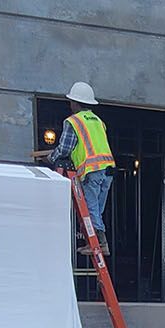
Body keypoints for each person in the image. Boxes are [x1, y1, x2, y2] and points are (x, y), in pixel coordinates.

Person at [35, 81, 116, 253]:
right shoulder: (98, 121)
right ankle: (97, 242)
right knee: (96, 210)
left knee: (91, 207)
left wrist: (51, 158)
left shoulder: (74, 121)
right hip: (108, 169)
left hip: (92, 170)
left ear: (75, 103)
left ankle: (99, 244)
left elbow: (65, 148)